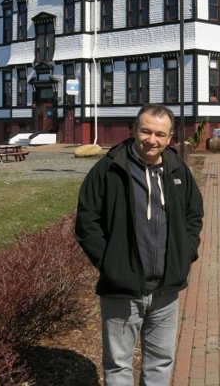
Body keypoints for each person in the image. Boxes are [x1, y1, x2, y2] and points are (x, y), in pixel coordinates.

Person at [75, 104, 204, 385]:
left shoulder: (177, 169)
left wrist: (185, 254)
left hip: (166, 289)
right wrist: (111, 264)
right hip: (121, 289)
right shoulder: (109, 169)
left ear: (169, 138)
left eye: (160, 134)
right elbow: (87, 222)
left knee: (161, 362)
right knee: (118, 365)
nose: (152, 140)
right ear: (134, 130)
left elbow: (194, 215)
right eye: (146, 131)